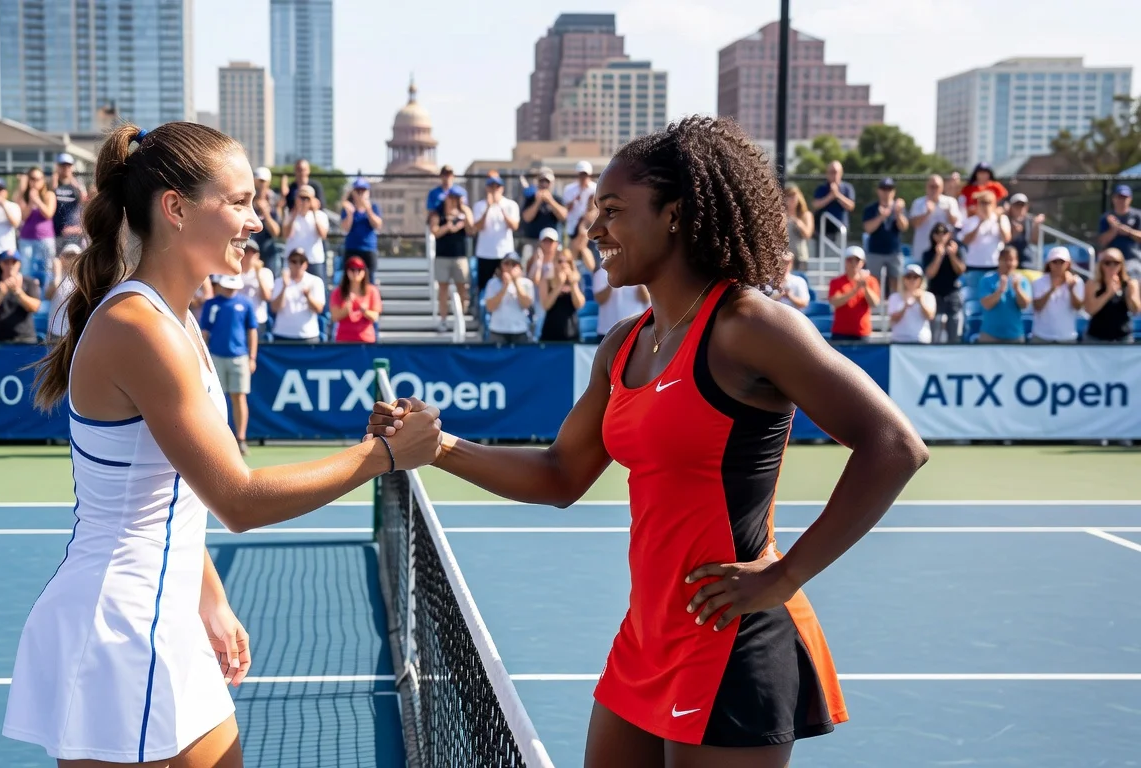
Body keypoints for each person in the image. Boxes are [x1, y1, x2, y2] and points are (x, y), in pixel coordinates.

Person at [367, 116, 927, 768]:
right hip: (645, 638)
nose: (594, 229)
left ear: (674, 215)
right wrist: (438, 447)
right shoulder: (622, 345)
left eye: (612, 210)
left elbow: (893, 445)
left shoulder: (748, 326)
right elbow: (559, 475)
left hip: (729, 640)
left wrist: (784, 574)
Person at [12, 121, 441, 767]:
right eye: (238, 202)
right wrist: (382, 457)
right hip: (123, 628)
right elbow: (237, 500)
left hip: (160, 614)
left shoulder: (177, 322)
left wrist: (206, 595)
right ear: (176, 209)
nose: (257, 222)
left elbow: (171, 485)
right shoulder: (140, 328)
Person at [199, 274, 259, 454]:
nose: (230, 289)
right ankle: (218, 442)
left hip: (239, 357)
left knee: (239, 397)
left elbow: (252, 331)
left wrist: (252, 357)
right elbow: (204, 332)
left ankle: (241, 439)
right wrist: (203, 358)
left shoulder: (246, 303)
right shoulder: (211, 304)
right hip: (215, 358)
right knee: (215, 400)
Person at [472, 175, 522, 305]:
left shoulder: (510, 205)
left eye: (497, 186)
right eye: (491, 186)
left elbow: (514, 226)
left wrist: (501, 209)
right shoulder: (479, 205)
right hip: (485, 253)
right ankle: (483, 315)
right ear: (487, 188)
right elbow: (478, 227)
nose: (494, 189)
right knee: (484, 287)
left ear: (502, 188)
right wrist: (488, 207)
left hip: (505, 254)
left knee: (507, 283)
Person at [429, 187, 471, 332]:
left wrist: (465, 213)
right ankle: (443, 320)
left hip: (460, 257)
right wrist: (448, 226)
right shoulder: (437, 214)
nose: (455, 201)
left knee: (462, 287)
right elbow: (434, 232)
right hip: (442, 256)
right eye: (452, 197)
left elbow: (472, 230)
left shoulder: (464, 213)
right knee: (443, 289)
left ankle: (463, 317)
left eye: (457, 198)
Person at [0, 251, 40, 343]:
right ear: (0, 264)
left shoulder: (29, 282)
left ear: (19, 264)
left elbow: (35, 307)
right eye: (6, 262)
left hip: (25, 338)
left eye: (14, 262)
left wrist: (18, 292)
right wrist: (0, 293)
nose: (10, 265)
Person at [1083, 248, 1141, 343]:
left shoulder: (1130, 283)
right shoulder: (1093, 284)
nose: (1112, 266)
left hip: (1122, 338)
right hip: (1096, 338)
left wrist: (1129, 294)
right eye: (1107, 263)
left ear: (1121, 265)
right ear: (1101, 265)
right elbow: (1090, 310)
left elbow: (1136, 310)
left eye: (1116, 262)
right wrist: (1108, 293)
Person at [861, 178, 908, 296]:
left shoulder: (898, 208)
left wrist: (898, 214)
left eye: (889, 189)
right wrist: (881, 217)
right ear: (878, 191)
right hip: (875, 251)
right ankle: (875, 308)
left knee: (897, 282)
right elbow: (868, 228)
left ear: (894, 191)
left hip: (894, 251)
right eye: (884, 189)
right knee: (873, 281)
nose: (886, 192)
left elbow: (904, 227)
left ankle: (894, 307)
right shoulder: (871, 209)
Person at [1029, 247, 1085, 344]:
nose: (1058, 265)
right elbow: (1037, 307)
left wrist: (1071, 290)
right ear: (1049, 264)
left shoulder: (1077, 282)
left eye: (1061, 262)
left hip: (1066, 337)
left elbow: (1078, 307)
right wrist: (1052, 289)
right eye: (1055, 262)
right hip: (1042, 337)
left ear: (1068, 264)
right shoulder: (1038, 282)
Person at [269, 247, 326, 342]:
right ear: (289, 263)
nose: (298, 264)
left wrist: (308, 297)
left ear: (306, 264)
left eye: (301, 261)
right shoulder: (279, 281)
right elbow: (275, 308)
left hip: (308, 335)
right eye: (294, 261)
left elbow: (319, 309)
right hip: (282, 335)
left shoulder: (315, 281)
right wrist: (284, 287)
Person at [959, 190, 1010, 295]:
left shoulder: (1001, 219)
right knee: (974, 298)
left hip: (994, 266)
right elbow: (965, 241)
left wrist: (999, 220)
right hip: (974, 266)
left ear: (994, 204)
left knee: (992, 297)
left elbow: (1006, 238)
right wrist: (979, 224)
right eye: (982, 202)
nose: (985, 206)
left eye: (988, 202)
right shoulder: (970, 221)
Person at [922, 223, 966, 344]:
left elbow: (961, 270)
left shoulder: (957, 251)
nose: (941, 237)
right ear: (933, 236)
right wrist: (938, 256)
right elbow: (930, 274)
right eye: (938, 234)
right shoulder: (928, 253)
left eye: (944, 234)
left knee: (954, 331)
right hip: (935, 294)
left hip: (952, 293)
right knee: (935, 331)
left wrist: (952, 255)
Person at [977, 246, 1030, 343]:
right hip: (990, 335)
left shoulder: (1022, 280)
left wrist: (1017, 289)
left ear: (1016, 261)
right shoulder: (987, 279)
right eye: (1005, 260)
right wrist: (1000, 290)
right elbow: (986, 305)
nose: (1008, 263)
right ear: (999, 260)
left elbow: (1025, 305)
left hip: (1015, 335)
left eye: (1011, 260)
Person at [827, 246, 880, 341]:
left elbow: (874, 303)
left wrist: (865, 287)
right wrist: (855, 290)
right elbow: (835, 302)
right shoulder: (836, 282)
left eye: (857, 261)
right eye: (850, 260)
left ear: (862, 263)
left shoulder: (871, 281)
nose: (853, 264)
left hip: (862, 332)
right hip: (840, 332)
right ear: (845, 262)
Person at [482, 253, 535, 345]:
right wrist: (504, 287)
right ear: (501, 266)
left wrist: (516, 282)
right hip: (497, 331)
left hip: (520, 331)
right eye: (507, 264)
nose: (510, 268)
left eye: (514, 265)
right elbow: (490, 307)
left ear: (519, 267)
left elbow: (526, 305)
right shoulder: (492, 283)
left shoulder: (527, 284)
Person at [908, 174, 962, 262]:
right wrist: (926, 213)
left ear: (942, 187)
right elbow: (914, 224)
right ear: (926, 187)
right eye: (931, 186)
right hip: (922, 248)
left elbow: (956, 224)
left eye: (936, 186)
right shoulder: (918, 202)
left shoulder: (950, 202)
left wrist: (948, 213)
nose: (934, 189)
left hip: (944, 251)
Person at [281, 184, 328, 283]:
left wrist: (314, 211)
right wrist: (294, 214)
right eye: (301, 197)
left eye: (307, 198)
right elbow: (286, 234)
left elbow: (323, 235)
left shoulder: (321, 215)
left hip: (313, 260)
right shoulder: (289, 215)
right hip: (293, 260)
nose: (304, 201)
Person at [16, 167, 58, 276]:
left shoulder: (49, 195)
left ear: (43, 180)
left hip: (45, 239)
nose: (35, 182)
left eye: (38, 179)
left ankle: (44, 293)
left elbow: (49, 214)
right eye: (32, 179)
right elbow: (23, 217)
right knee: (26, 271)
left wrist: (37, 201)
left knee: (46, 270)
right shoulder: (23, 197)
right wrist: (30, 201)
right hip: (26, 240)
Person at [520, 168, 568, 261]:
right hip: (534, 241)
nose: (544, 184)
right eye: (542, 181)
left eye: (547, 181)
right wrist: (537, 202)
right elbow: (526, 218)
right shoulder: (530, 199)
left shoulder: (557, 199)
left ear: (552, 183)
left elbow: (563, 216)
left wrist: (550, 201)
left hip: (552, 243)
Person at [537, 247, 585, 342]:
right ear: (554, 262)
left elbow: (579, 304)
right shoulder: (546, 280)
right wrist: (559, 285)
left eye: (567, 261)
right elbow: (546, 305)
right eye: (560, 261)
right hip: (550, 333)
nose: (563, 265)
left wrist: (573, 284)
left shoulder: (576, 281)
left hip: (571, 332)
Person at [330, 256, 382, 343]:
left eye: (359, 270)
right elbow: (334, 317)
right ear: (347, 271)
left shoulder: (372, 290)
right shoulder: (338, 292)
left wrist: (364, 311)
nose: (356, 273)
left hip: (366, 339)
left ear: (364, 272)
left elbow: (375, 316)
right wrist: (346, 309)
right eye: (352, 270)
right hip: (344, 340)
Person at [340, 178, 383, 279]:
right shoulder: (348, 208)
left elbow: (377, 225)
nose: (360, 193)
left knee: (369, 278)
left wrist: (368, 210)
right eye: (358, 190)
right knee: (349, 279)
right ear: (353, 192)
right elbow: (345, 228)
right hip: (352, 248)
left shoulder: (374, 207)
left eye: (363, 190)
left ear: (368, 192)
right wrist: (350, 213)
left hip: (368, 248)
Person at [1097, 184, 1141, 281]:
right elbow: (1101, 242)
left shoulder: (1138, 215)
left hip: (1133, 260)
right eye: (1119, 197)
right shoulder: (1106, 218)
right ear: (1113, 199)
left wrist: (1128, 231)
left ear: (1130, 199)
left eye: (1125, 197)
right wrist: (1114, 230)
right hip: (1111, 262)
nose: (1122, 201)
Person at [885, 264, 935, 344]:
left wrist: (921, 302)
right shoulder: (894, 297)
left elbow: (930, 316)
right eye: (908, 276)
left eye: (915, 277)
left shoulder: (928, 296)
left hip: (920, 339)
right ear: (903, 279)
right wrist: (905, 306)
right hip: (899, 340)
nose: (912, 280)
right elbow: (893, 319)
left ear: (921, 280)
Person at [811, 160, 855, 247]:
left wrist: (838, 195)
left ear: (841, 173)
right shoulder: (821, 188)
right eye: (831, 172)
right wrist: (830, 197)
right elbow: (815, 205)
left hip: (840, 229)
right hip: (823, 230)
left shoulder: (847, 188)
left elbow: (851, 206)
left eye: (836, 172)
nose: (834, 175)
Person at [52, 153, 88, 251]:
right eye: (63, 165)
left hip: (74, 232)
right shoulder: (52, 185)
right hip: (56, 233)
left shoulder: (78, 186)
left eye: (68, 165)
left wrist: (79, 228)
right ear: (57, 167)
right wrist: (53, 184)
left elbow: (84, 205)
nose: (66, 168)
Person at [46, 243, 82, 342]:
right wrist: (57, 276)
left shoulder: (83, 278)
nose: (71, 259)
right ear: (61, 258)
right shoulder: (54, 276)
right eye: (68, 256)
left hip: (74, 332)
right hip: (56, 332)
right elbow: (48, 296)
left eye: (75, 256)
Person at [237, 239, 274, 332]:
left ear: (257, 255)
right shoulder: (233, 272)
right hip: (236, 317)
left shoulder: (266, 272)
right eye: (245, 251)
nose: (248, 255)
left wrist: (258, 274)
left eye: (252, 252)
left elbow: (267, 297)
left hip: (258, 319)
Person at [1005, 193, 1044, 269]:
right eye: (1017, 205)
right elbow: (1006, 241)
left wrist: (1036, 226)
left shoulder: (1031, 220)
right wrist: (1014, 232)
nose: (1019, 208)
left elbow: (1034, 241)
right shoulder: (1005, 220)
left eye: (1022, 205)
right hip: (1010, 263)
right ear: (1011, 207)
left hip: (1027, 263)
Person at [783, 185, 814, 271]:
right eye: (789, 196)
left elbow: (808, 234)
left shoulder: (805, 215)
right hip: (785, 256)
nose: (792, 199)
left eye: (794, 196)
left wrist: (798, 222)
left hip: (800, 257)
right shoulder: (781, 216)